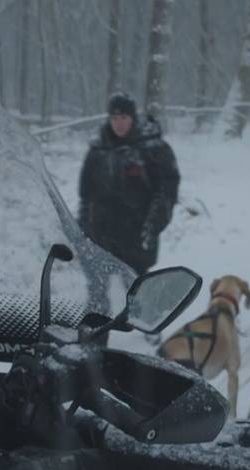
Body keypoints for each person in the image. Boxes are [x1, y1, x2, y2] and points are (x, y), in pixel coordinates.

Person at [77, 92, 181, 312]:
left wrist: (152, 227)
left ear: (133, 118)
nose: (119, 123)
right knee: (96, 291)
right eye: (114, 118)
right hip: (100, 235)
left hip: (136, 236)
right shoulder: (98, 151)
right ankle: (94, 337)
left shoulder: (153, 148)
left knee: (137, 289)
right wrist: (81, 231)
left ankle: (146, 330)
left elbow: (167, 190)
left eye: (124, 118)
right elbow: (86, 195)